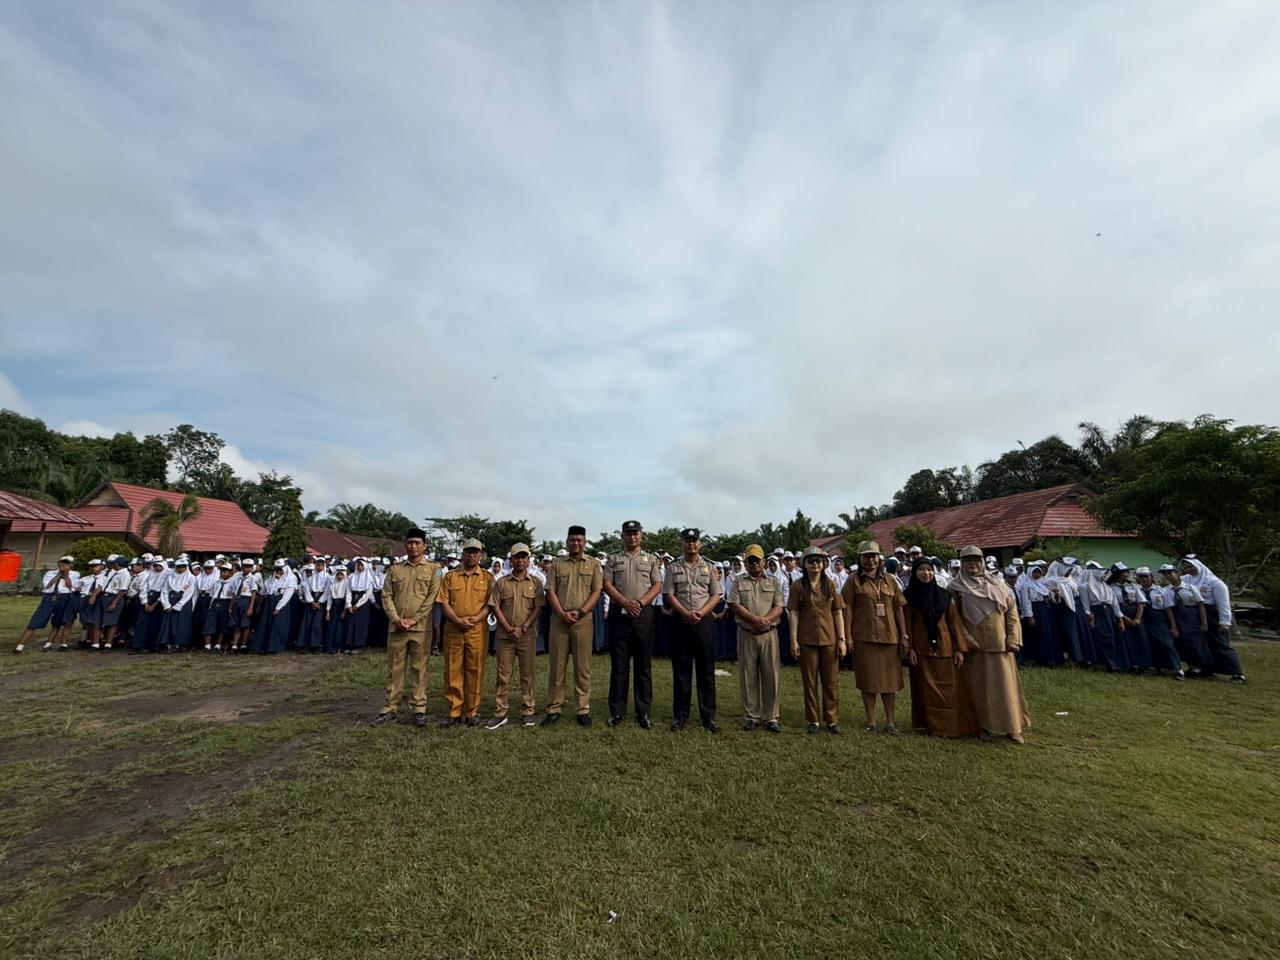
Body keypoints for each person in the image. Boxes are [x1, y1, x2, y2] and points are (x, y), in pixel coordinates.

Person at [947, 545, 1029, 744]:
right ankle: (982, 725)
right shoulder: (955, 588)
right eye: (967, 561)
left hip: (1000, 644)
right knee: (978, 687)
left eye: (976, 560)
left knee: (1005, 686)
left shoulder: (998, 585)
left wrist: (1013, 638)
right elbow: (954, 618)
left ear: (983, 562)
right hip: (975, 647)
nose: (972, 564)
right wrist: (966, 639)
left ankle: (1013, 727)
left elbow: (1012, 612)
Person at [374, 528, 444, 727]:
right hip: (397, 627)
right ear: (405, 544)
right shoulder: (396, 569)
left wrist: (414, 619)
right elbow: (386, 595)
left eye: (417, 543)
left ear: (424, 545)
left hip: (420, 628)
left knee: (419, 668)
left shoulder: (433, 568)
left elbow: (432, 597)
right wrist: (396, 618)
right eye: (410, 542)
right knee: (395, 669)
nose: (413, 546)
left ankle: (419, 708)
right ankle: (390, 707)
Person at [903, 556, 979, 737]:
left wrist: (959, 648)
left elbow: (954, 623)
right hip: (922, 649)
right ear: (915, 573)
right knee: (926, 689)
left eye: (929, 570)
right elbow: (908, 624)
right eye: (922, 570)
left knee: (949, 688)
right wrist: (911, 648)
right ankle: (933, 727)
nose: (926, 573)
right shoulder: (909, 596)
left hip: (945, 647)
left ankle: (951, 726)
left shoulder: (944, 596)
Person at [601, 521, 664, 728]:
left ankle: (643, 712)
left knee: (643, 665)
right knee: (619, 665)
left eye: (635, 533)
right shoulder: (613, 559)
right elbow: (607, 584)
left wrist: (640, 603)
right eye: (628, 534)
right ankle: (617, 711)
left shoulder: (652, 559)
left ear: (641, 536)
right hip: (620, 615)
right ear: (623, 536)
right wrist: (625, 602)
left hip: (643, 614)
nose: (631, 537)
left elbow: (657, 584)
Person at [842, 541, 908, 734]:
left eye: (874, 556)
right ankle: (871, 721)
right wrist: (848, 636)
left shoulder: (890, 580)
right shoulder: (853, 580)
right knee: (868, 681)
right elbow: (847, 609)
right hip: (864, 637)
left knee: (891, 682)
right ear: (860, 559)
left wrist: (903, 635)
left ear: (879, 558)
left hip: (889, 637)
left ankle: (890, 722)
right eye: (866, 556)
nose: (870, 560)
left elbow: (898, 609)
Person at [544, 526, 603, 727]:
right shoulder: (556, 565)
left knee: (582, 667)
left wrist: (581, 612)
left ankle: (582, 709)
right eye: (572, 540)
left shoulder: (593, 564)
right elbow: (550, 590)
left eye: (579, 540)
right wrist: (561, 612)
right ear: (567, 541)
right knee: (556, 666)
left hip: (583, 620)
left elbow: (597, 591)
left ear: (584, 542)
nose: (575, 543)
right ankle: (554, 707)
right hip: (559, 620)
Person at [664, 528, 722, 732]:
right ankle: (680, 716)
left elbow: (716, 594)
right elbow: (670, 594)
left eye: (694, 541)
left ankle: (708, 716)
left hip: (704, 621)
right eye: (687, 540)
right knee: (681, 670)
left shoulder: (710, 566)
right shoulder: (673, 568)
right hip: (681, 622)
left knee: (706, 670)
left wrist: (701, 612)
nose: (691, 544)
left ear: (700, 544)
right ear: (682, 543)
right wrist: (685, 613)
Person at [788, 547, 847, 734]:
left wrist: (842, 639)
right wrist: (794, 640)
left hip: (829, 639)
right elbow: (794, 613)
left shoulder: (831, 585)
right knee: (810, 681)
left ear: (823, 564)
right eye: (811, 561)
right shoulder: (797, 586)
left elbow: (838, 612)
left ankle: (831, 719)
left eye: (818, 561)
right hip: (806, 639)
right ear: (804, 564)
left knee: (830, 681)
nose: (815, 564)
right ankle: (813, 719)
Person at [486, 543, 544, 729]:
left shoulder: (535, 582)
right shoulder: (501, 582)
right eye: (516, 557)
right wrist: (508, 627)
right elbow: (495, 606)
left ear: (528, 560)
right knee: (503, 675)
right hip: (505, 636)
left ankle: (528, 711)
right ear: (511, 560)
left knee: (527, 675)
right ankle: (500, 712)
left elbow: (537, 608)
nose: (520, 560)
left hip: (526, 636)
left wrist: (524, 627)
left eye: (523, 557)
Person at [438, 539, 495, 727]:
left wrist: (475, 619)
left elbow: (490, 604)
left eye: (475, 552)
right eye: (468, 552)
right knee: (453, 669)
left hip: (477, 630)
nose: (472, 555)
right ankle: (454, 710)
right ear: (463, 554)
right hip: (454, 629)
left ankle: (472, 711)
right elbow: (444, 602)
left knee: (475, 669)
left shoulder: (487, 578)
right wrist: (456, 620)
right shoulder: (450, 577)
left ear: (481, 555)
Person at [728, 544, 784, 733]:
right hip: (746, 633)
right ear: (746, 562)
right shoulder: (738, 581)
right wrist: (754, 620)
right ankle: (751, 715)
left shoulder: (774, 581)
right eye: (750, 560)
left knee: (771, 675)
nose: (754, 563)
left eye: (757, 560)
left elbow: (779, 606)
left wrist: (765, 620)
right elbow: (734, 604)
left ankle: (771, 717)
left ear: (764, 561)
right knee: (748, 674)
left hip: (769, 634)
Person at [1179, 556, 1246, 682]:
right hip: (1195, 615)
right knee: (1200, 644)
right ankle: (1205, 668)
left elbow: (1223, 603)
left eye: (1191, 566)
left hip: (1212, 615)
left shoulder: (1215, 582)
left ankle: (1236, 672)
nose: (1189, 569)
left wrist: (1225, 622)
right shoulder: (1186, 580)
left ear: (1198, 565)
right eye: (1186, 567)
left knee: (1219, 643)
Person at [14, 555, 79, 653]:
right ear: (59, 563)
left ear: (71, 565)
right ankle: (20, 646)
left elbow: (71, 587)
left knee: (57, 622)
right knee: (36, 621)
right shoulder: (50, 573)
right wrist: (59, 574)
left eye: (67, 563)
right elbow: (47, 585)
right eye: (62, 562)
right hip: (49, 597)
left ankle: (48, 644)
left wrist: (66, 575)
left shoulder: (75, 574)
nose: (64, 565)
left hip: (64, 597)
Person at [1159, 563, 1214, 673]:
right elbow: (1169, 609)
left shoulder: (1190, 587)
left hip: (1192, 615)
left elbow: (1200, 605)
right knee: (1183, 642)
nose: (1168, 576)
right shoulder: (1166, 590)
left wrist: (1204, 622)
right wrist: (1173, 626)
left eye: (1170, 573)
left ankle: (1205, 667)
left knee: (1196, 642)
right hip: (1178, 615)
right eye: (1166, 575)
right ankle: (1191, 666)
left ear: (1177, 573)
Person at [1135, 567, 1185, 678]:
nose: (1144, 579)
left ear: (1151, 577)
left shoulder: (1161, 591)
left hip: (1158, 618)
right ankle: (1148, 666)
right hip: (1143, 619)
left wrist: (1173, 626)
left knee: (1166, 643)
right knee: (1145, 643)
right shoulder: (1135, 590)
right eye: (1140, 577)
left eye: (1146, 576)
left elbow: (1168, 608)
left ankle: (1178, 669)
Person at [1078, 561, 1126, 671]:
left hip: (1109, 613)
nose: (1104, 574)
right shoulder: (1085, 586)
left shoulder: (1106, 587)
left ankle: (1116, 664)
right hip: (1097, 613)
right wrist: (1089, 615)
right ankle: (1105, 663)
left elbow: (1114, 604)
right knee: (1102, 638)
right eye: (1102, 572)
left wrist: (1120, 619)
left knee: (1113, 638)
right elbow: (1085, 604)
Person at [1108, 563, 1152, 673]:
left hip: (1135, 613)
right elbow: (1113, 605)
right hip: (1120, 615)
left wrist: (1137, 618)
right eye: (1124, 572)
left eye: (1128, 571)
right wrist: (1123, 618)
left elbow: (1141, 602)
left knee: (1141, 640)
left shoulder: (1132, 586)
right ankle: (1129, 664)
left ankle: (1143, 664)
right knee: (1125, 641)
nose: (1127, 574)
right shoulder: (1110, 587)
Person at [1015, 561, 1058, 667]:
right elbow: (1026, 602)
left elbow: (1052, 597)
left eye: (1038, 572)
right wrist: (1029, 616)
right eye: (1034, 572)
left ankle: (1052, 658)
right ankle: (1040, 659)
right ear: (1030, 573)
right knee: (1039, 634)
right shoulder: (1026, 585)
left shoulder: (1044, 583)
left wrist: (1056, 594)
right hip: (1036, 611)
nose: (1037, 574)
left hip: (1046, 610)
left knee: (1049, 633)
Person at [252, 559, 296, 654]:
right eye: (277, 569)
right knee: (265, 624)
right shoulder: (271, 579)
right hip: (269, 602)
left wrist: (278, 607)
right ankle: (263, 646)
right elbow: (264, 592)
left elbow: (287, 595)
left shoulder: (290, 578)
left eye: (280, 569)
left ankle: (275, 647)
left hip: (281, 603)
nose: (279, 571)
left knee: (278, 626)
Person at [157, 558, 196, 651]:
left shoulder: (191, 577)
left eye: (183, 567)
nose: (180, 569)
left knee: (182, 624)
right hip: (170, 601)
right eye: (178, 567)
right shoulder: (170, 577)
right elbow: (164, 591)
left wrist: (178, 605)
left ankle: (181, 643)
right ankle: (167, 643)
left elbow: (189, 593)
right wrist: (166, 604)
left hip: (184, 603)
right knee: (169, 623)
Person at [202, 562, 238, 651]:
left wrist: (230, 606)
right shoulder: (217, 582)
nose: (223, 573)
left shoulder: (233, 583)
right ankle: (207, 645)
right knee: (209, 622)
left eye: (225, 571)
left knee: (223, 624)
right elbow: (212, 594)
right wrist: (211, 605)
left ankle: (218, 644)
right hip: (215, 601)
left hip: (226, 601)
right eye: (222, 571)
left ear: (231, 572)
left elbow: (233, 595)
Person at [98, 555, 131, 651]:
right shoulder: (115, 573)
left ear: (117, 564)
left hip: (114, 598)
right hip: (106, 596)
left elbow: (122, 590)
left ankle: (109, 644)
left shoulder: (125, 574)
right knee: (104, 622)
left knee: (112, 623)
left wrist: (114, 603)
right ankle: (104, 641)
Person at [299, 558, 333, 652]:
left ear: (324, 566)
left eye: (321, 565)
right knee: (308, 622)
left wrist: (320, 602)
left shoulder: (328, 577)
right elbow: (306, 590)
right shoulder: (311, 578)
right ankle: (307, 644)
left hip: (321, 602)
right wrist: (311, 602)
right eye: (318, 565)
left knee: (317, 624)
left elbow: (327, 590)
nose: (319, 567)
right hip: (312, 601)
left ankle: (316, 644)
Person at [229, 558, 259, 653]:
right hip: (237, 600)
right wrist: (231, 606)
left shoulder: (253, 578)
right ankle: (234, 645)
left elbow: (254, 593)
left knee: (245, 624)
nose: (247, 569)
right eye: (245, 566)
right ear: (242, 567)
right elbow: (234, 592)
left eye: (249, 567)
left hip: (246, 600)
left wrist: (251, 607)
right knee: (237, 624)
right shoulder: (237, 577)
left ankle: (243, 644)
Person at [345, 558, 375, 652]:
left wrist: (358, 605)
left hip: (362, 604)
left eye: (361, 565)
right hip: (353, 600)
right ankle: (350, 643)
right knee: (351, 623)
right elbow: (349, 591)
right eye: (358, 565)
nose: (359, 567)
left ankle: (359, 645)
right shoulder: (353, 577)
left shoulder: (369, 578)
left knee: (360, 624)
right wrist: (349, 604)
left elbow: (367, 594)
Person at [325, 563, 350, 654]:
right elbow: (329, 597)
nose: (339, 576)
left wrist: (344, 610)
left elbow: (347, 596)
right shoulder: (333, 582)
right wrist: (328, 611)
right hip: (334, 606)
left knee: (340, 627)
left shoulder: (347, 583)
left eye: (341, 574)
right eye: (338, 574)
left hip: (342, 606)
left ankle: (339, 647)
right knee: (332, 626)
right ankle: (330, 647)